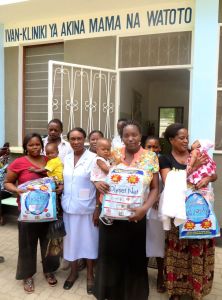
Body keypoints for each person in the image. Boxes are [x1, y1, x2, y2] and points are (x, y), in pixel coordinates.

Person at [93, 120, 159, 300]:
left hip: (136, 217)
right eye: (126, 135)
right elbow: (97, 173)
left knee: (134, 257)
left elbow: (155, 188)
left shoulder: (150, 157)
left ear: (140, 136)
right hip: (111, 216)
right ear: (122, 138)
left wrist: (144, 209)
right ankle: (110, 293)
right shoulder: (113, 154)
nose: (131, 138)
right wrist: (97, 183)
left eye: (134, 135)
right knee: (110, 255)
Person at [159, 123, 217, 300]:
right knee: (178, 252)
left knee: (198, 248)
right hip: (178, 213)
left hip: (199, 212)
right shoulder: (165, 159)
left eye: (187, 137)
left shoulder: (196, 154)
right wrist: (192, 166)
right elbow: (169, 181)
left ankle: (196, 290)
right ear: (171, 140)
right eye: (181, 138)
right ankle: (175, 291)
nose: (186, 141)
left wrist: (207, 177)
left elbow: (214, 173)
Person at [4, 133, 59, 294]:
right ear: (25, 147)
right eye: (30, 145)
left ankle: (49, 270)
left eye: (37, 144)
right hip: (27, 212)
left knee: (49, 243)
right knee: (27, 245)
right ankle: (27, 275)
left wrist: (58, 186)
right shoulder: (18, 163)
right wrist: (17, 190)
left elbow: (58, 178)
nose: (34, 147)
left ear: (41, 146)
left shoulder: (50, 160)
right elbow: (7, 183)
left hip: (48, 211)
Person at [62, 127, 99, 294]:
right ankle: (73, 272)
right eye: (72, 139)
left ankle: (90, 275)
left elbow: (99, 184)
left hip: (88, 209)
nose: (76, 142)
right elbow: (63, 180)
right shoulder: (66, 157)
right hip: (69, 208)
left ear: (84, 139)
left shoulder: (93, 158)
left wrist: (98, 208)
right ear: (68, 140)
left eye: (79, 138)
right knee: (71, 242)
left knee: (89, 242)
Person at [144, 136, 165, 293]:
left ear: (160, 148)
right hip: (141, 209)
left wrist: (159, 197)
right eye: (148, 147)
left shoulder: (164, 163)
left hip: (157, 210)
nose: (152, 150)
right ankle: (141, 275)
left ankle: (160, 276)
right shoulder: (139, 162)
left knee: (158, 244)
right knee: (142, 244)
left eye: (155, 147)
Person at [90, 138, 112, 225]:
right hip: (100, 181)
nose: (106, 151)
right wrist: (114, 166)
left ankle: (106, 214)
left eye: (108, 149)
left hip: (103, 181)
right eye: (103, 149)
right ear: (97, 150)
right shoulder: (99, 159)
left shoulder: (105, 159)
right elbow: (107, 170)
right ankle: (104, 215)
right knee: (103, 199)